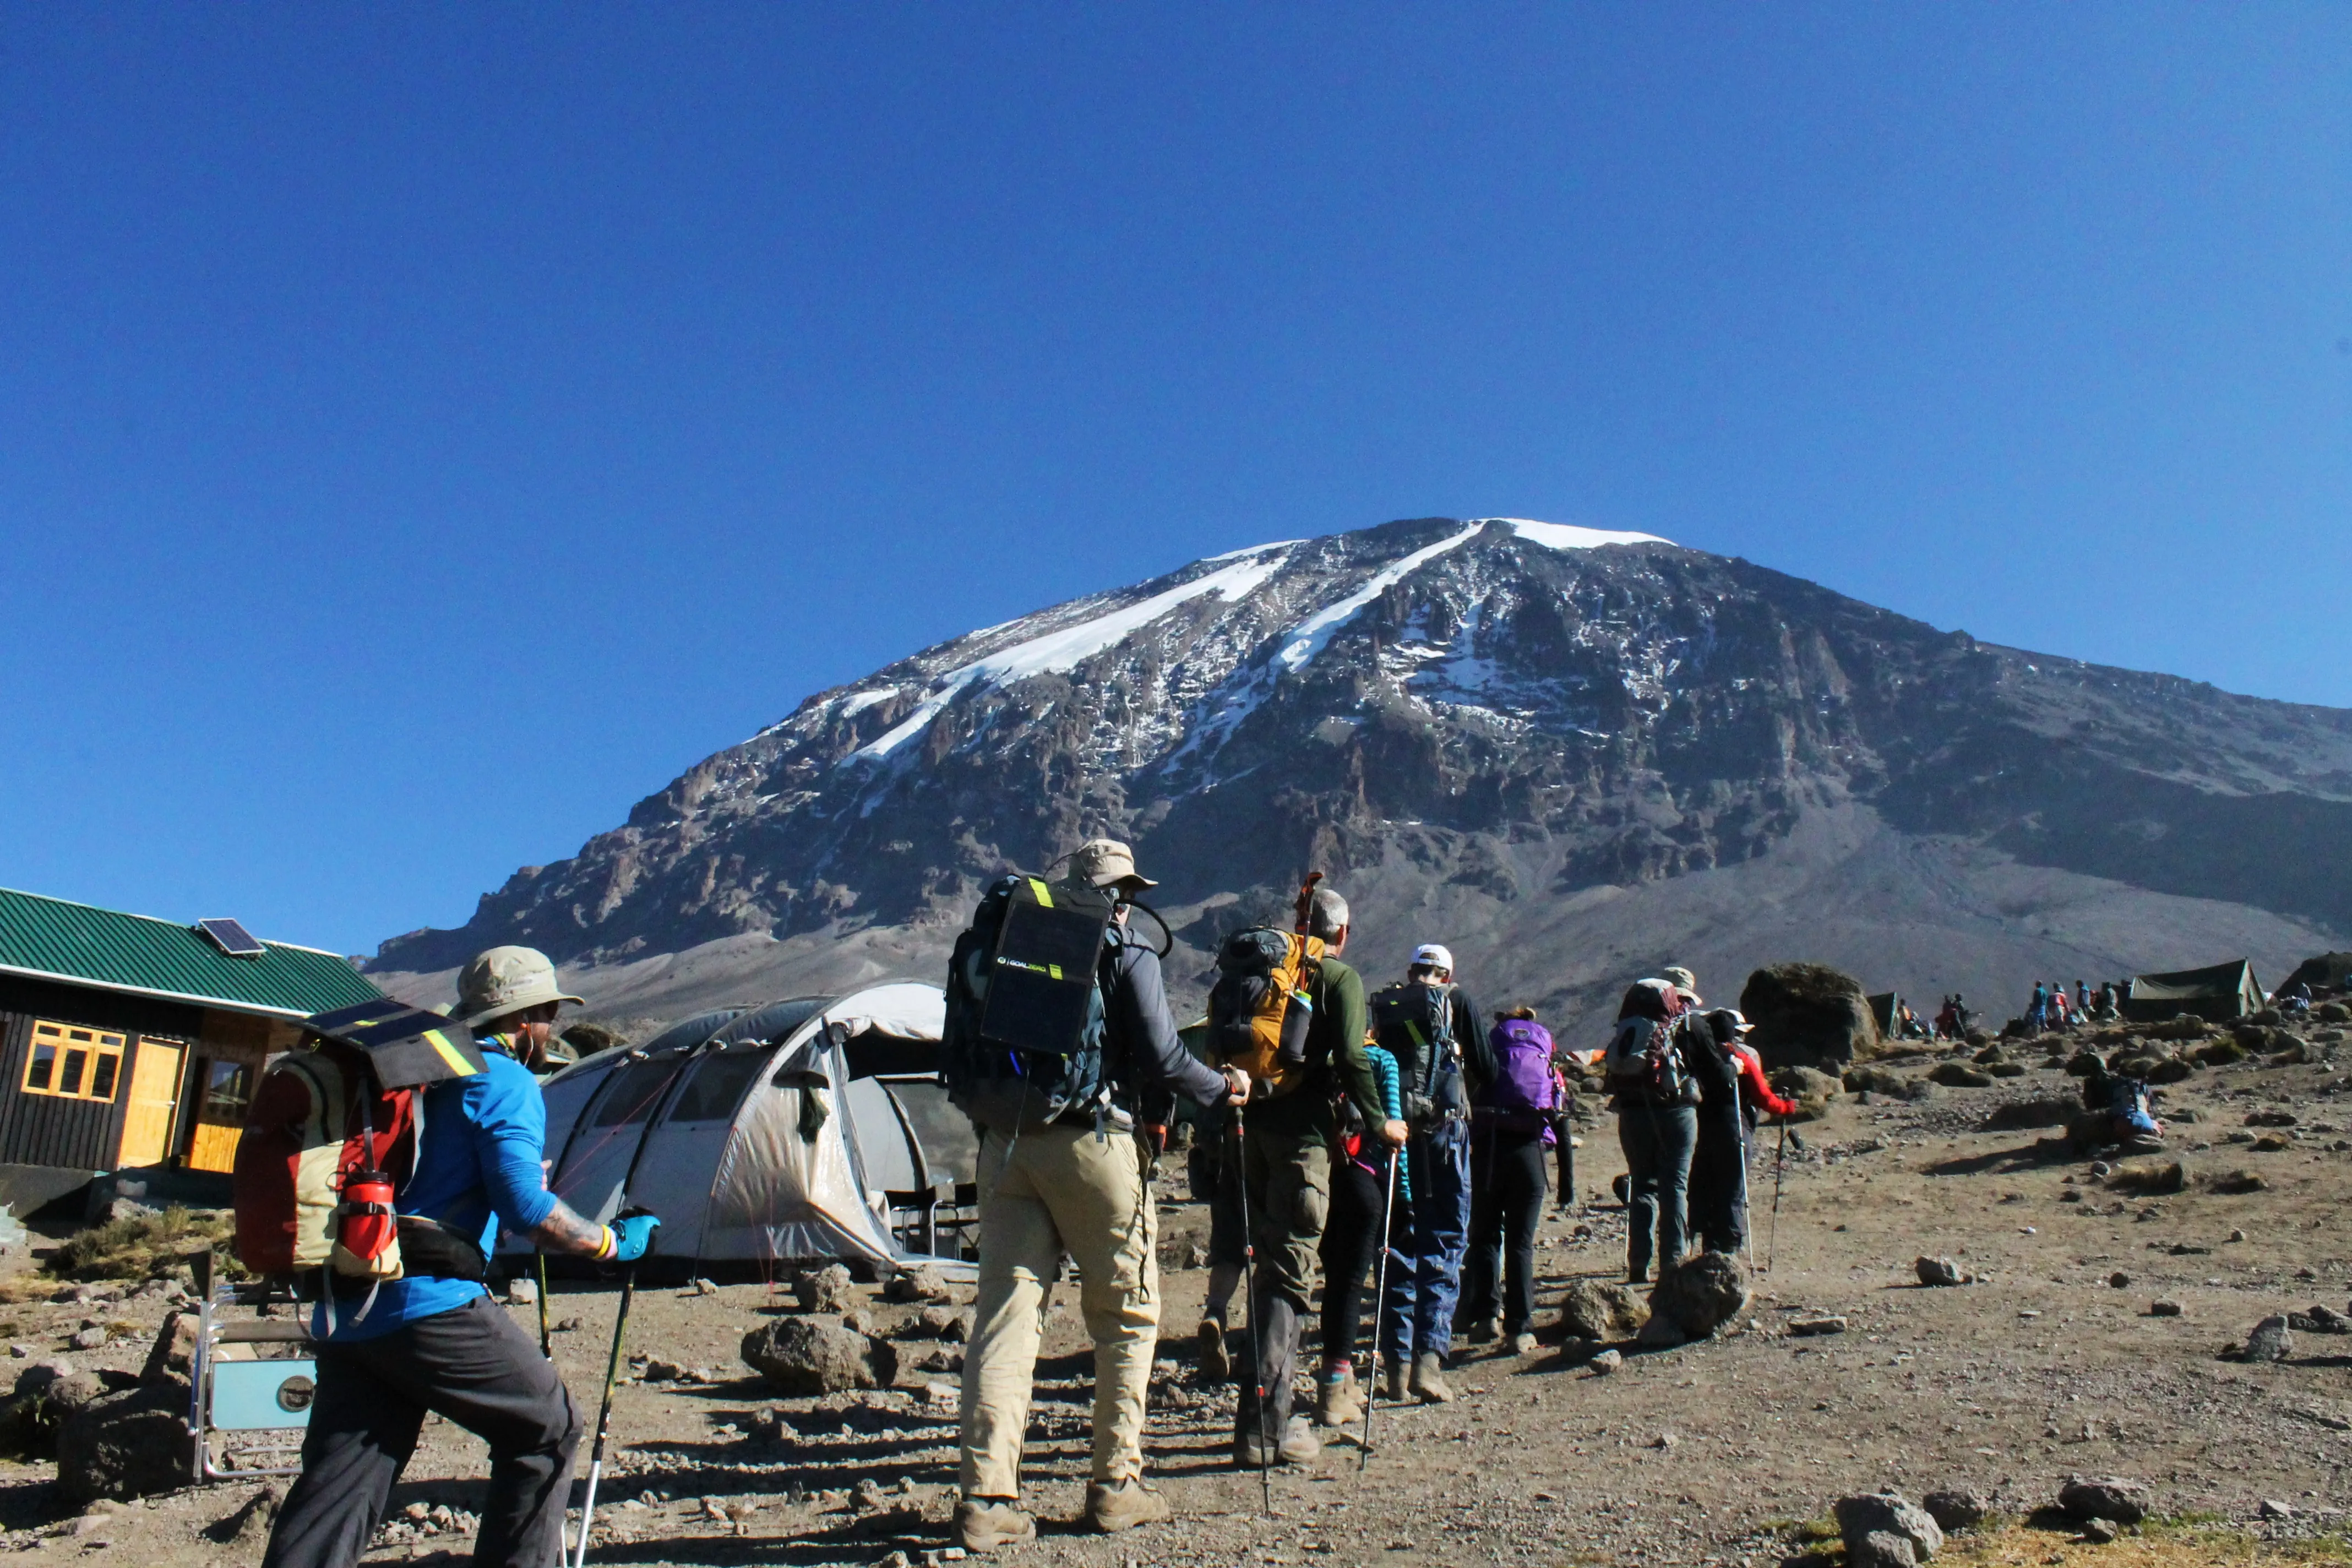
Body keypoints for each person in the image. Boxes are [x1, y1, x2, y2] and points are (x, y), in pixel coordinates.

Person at [263, 946, 658, 1568]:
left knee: (344, 1477)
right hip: (430, 1300)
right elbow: (528, 1207)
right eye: (549, 1013)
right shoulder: (506, 1081)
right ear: (531, 1017)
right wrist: (612, 1242)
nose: (549, 1027)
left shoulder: (417, 1074)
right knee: (547, 1429)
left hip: (355, 1294)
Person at [952, 840, 1250, 1549]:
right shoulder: (1124, 949)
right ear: (1121, 893)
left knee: (1006, 1317)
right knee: (1126, 1313)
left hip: (1005, 1142)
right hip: (1093, 1139)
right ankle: (1116, 1486)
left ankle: (986, 1500)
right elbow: (1162, 1056)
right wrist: (1224, 1088)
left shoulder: (1002, 940)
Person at [1224, 885, 1396, 1467]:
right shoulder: (1336, 977)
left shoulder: (1268, 968)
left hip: (1252, 1132)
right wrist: (1382, 1121)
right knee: (1289, 1277)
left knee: (1269, 1265)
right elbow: (1352, 1055)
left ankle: (1259, 1415)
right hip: (1303, 1143)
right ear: (1341, 932)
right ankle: (1267, 1429)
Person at [1371, 943, 1490, 1403]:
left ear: (1412, 972)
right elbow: (1489, 1067)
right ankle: (1429, 1364)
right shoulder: (1457, 1002)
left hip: (1397, 1134)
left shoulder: (1389, 1005)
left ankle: (1395, 1373)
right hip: (1446, 1133)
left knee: (1399, 1244)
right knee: (1444, 1239)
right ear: (1447, 974)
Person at [1311, 1020, 1407, 1427]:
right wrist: (1404, 1197)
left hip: (1319, 1179)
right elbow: (1393, 1132)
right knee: (1352, 1285)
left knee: (1334, 1281)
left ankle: (1341, 1381)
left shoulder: (1315, 1060)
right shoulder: (1381, 1060)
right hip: (1364, 1180)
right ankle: (1334, 1393)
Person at [1458, 1008, 1559, 1354]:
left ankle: (1486, 1315)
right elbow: (1557, 1110)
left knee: (1485, 1237)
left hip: (1488, 1152)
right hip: (1530, 1152)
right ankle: (1520, 1328)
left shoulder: (1489, 1049)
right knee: (1521, 1243)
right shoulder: (1543, 1051)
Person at [1604, 979, 1698, 1284]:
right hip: (1676, 1112)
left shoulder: (1628, 1031)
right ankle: (1673, 1262)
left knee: (1643, 1183)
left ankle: (1638, 1264)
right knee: (1675, 1185)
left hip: (1633, 1113)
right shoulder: (1683, 1026)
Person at [1685, 1009, 1796, 1256]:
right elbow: (1764, 1098)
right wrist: (1787, 1107)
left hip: (1702, 1129)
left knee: (1705, 1185)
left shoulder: (1699, 1059)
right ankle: (1730, 1246)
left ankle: (1706, 1243)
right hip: (1735, 1127)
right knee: (1732, 1189)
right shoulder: (1740, 1059)